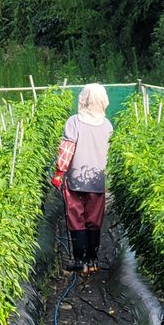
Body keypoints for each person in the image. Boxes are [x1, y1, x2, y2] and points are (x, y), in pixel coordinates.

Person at [54, 84, 113, 273]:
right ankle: (92, 260)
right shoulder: (107, 125)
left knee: (75, 217)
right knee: (94, 219)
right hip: (97, 180)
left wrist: (59, 172)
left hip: (75, 180)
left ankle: (79, 261)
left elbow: (67, 149)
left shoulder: (74, 122)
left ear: (83, 99)